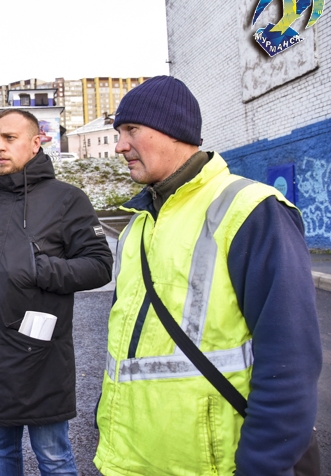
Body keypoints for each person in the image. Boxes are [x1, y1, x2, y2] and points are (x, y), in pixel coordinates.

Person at [94, 76, 322, 475]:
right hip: (130, 461)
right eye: (118, 133)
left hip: (213, 465)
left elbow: (290, 360)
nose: (119, 146)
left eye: (131, 129)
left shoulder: (250, 211)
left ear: (173, 130)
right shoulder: (136, 226)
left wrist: (263, 465)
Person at [0, 109, 113, 475]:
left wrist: (37, 268)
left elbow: (100, 265)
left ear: (36, 142)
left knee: (53, 457)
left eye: (10, 138)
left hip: (41, 358)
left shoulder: (67, 200)